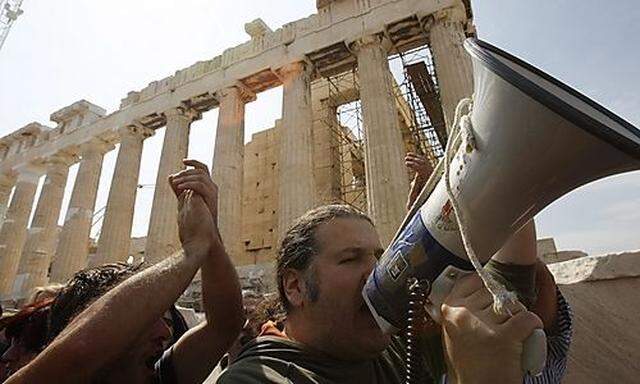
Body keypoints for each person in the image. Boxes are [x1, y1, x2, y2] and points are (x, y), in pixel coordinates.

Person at [211, 152, 571, 383]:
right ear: (295, 286)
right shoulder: (260, 378)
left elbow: (513, 276)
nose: (377, 271)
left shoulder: (389, 344)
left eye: (377, 256)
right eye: (351, 259)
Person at [6, 159, 243, 384]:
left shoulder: (158, 378)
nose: (165, 331)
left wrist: (209, 235)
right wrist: (194, 249)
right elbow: (80, 351)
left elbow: (225, 324)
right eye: (149, 318)